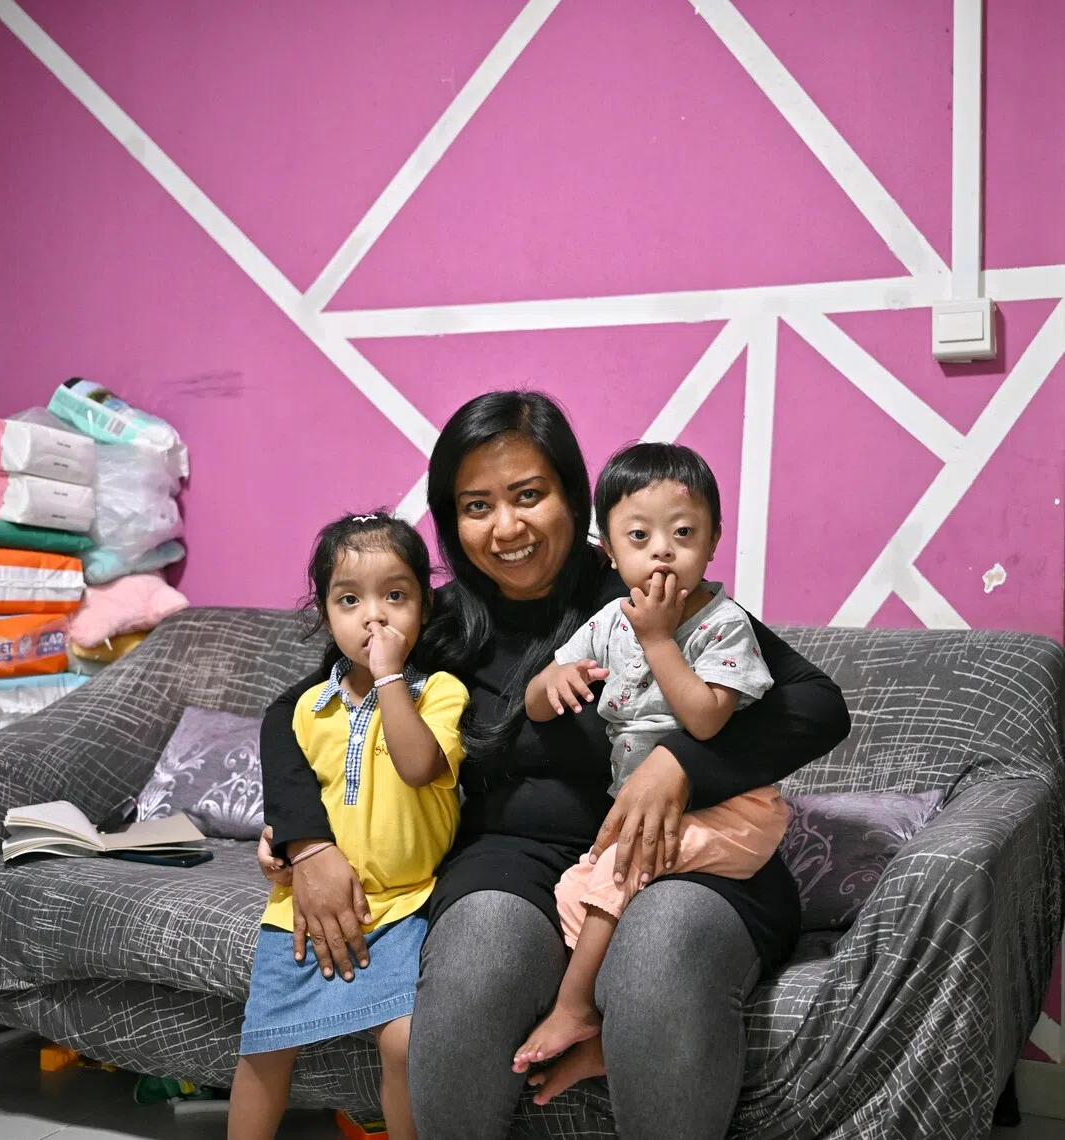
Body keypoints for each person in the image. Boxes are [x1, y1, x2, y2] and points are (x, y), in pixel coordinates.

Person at [258, 391, 850, 1139]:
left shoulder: (645, 589)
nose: (506, 527)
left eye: (529, 495)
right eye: (477, 506)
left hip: (681, 851)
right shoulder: (436, 620)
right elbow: (296, 709)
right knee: (475, 962)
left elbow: (817, 705)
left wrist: (682, 763)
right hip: (516, 857)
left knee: (660, 953)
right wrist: (307, 839)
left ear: (574, 497)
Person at [512, 442, 790, 1085]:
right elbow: (537, 698)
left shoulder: (724, 625)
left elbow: (706, 719)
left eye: (683, 534)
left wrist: (660, 639)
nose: (662, 551)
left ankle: (576, 1009)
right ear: (609, 551)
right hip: (644, 816)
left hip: (732, 814)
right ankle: (615, 1036)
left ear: (714, 540)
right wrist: (551, 683)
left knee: (619, 873)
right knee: (574, 894)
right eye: (639, 536)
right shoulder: (612, 619)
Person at [230, 513, 468, 1140]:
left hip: (405, 905)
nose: (374, 617)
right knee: (263, 1046)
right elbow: (306, 799)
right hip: (302, 911)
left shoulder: (440, 693)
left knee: (405, 1041)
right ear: (324, 613)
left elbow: (418, 766)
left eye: (396, 596)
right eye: (350, 600)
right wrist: (280, 844)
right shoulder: (307, 709)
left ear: (424, 607)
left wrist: (389, 678)